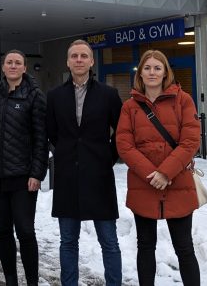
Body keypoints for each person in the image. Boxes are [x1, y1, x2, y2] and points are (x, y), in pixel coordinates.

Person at [116, 49, 201, 286]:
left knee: (184, 248)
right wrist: (151, 174)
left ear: (165, 73)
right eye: (147, 68)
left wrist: (165, 172)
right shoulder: (130, 107)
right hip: (144, 184)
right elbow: (124, 144)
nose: (152, 72)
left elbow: (191, 141)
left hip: (178, 182)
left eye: (157, 68)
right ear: (140, 73)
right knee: (145, 246)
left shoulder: (183, 100)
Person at [46, 39, 123, 286]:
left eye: (83, 56)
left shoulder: (108, 95)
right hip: (67, 176)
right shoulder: (55, 96)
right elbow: (52, 133)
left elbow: (121, 133)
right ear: (68, 62)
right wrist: (68, 154)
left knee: (109, 241)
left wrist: (106, 158)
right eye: (74, 56)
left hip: (99, 176)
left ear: (91, 61)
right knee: (68, 241)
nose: (79, 60)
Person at [0, 50, 48, 286]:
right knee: (2, 231)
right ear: (3, 67)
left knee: (25, 231)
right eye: (9, 62)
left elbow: (41, 138)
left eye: (18, 63)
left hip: (23, 178)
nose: (13, 66)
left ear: (24, 68)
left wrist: (37, 172)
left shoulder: (35, 96)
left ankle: (31, 281)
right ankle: (11, 280)